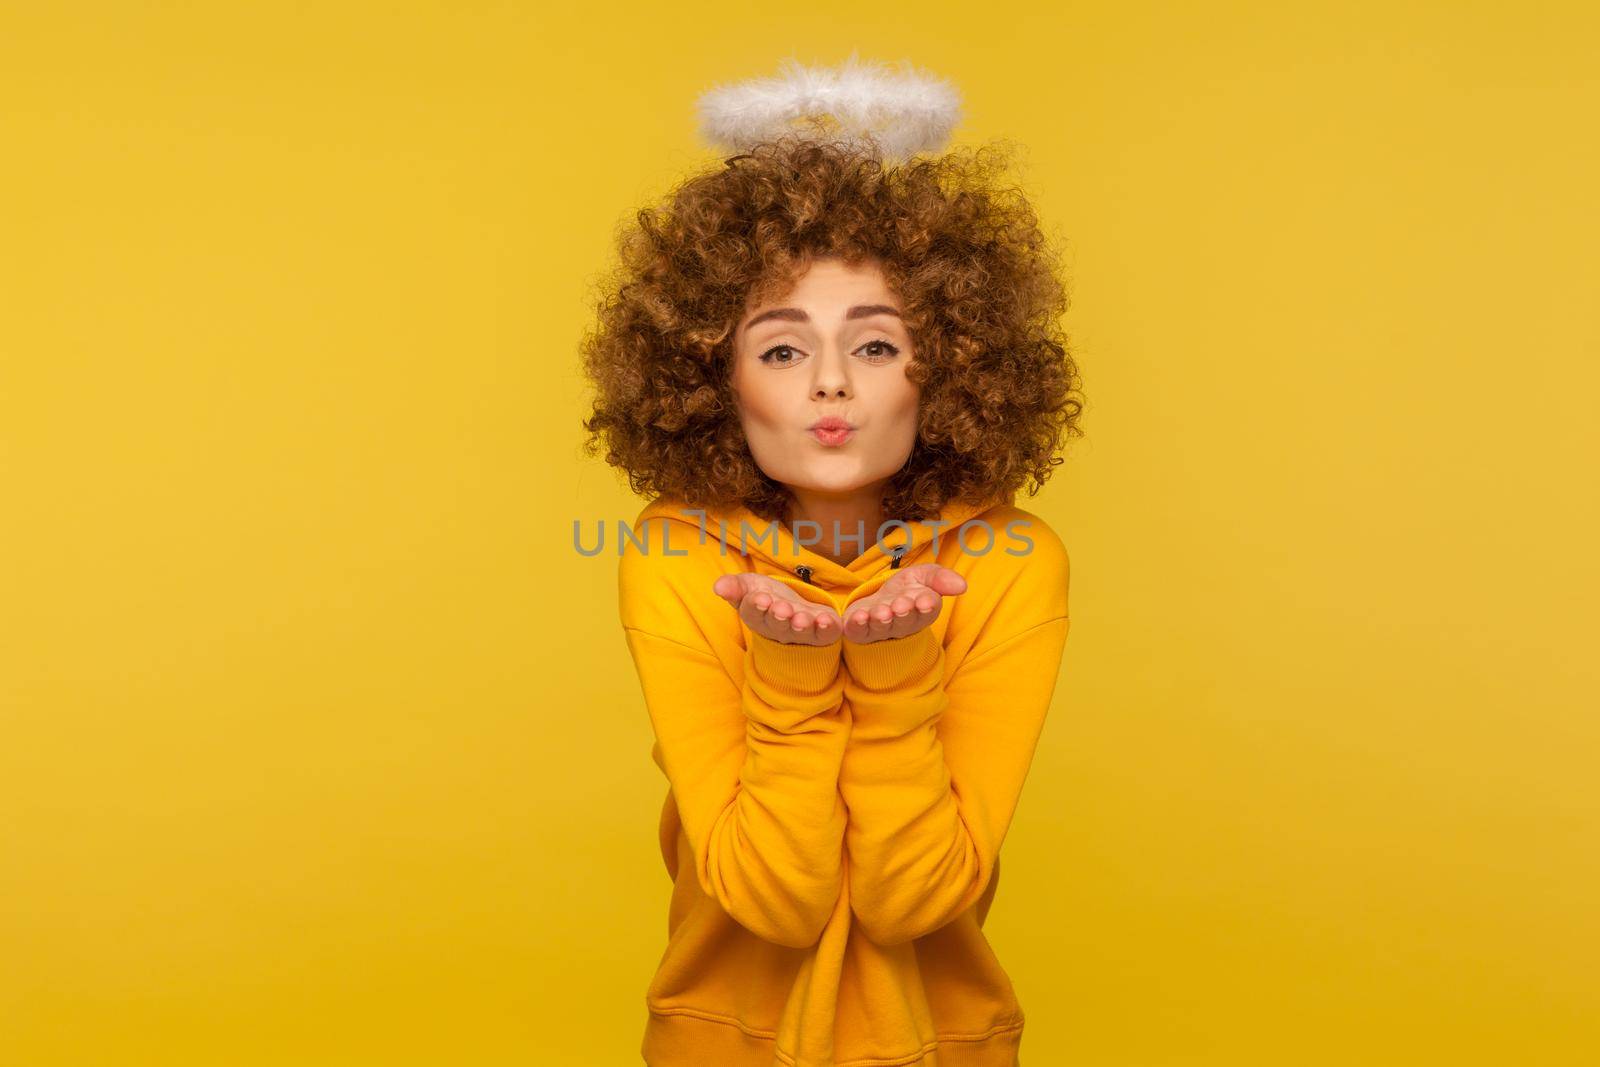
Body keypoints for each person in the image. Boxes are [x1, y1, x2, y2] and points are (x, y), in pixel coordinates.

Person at [580, 59, 1085, 1067]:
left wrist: (896, 673)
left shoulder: (1011, 562)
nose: (826, 383)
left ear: (947, 363)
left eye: (873, 345)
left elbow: (913, 902)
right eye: (777, 350)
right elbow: (773, 896)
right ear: (712, 379)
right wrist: (794, 669)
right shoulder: (675, 553)